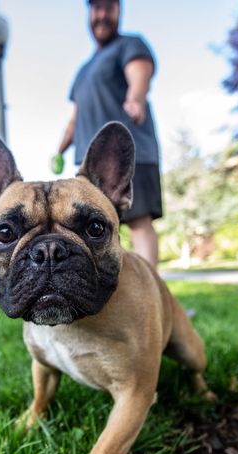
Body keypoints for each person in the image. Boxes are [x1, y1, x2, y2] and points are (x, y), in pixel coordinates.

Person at [53, 0, 162, 267]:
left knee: (138, 223)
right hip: (87, 166)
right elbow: (75, 118)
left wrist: (135, 98)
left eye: (108, 7)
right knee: (93, 228)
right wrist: (59, 149)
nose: (102, 14)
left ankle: (156, 300)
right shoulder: (83, 71)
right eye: (96, 8)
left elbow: (140, 73)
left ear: (118, 12)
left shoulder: (129, 44)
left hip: (129, 153)